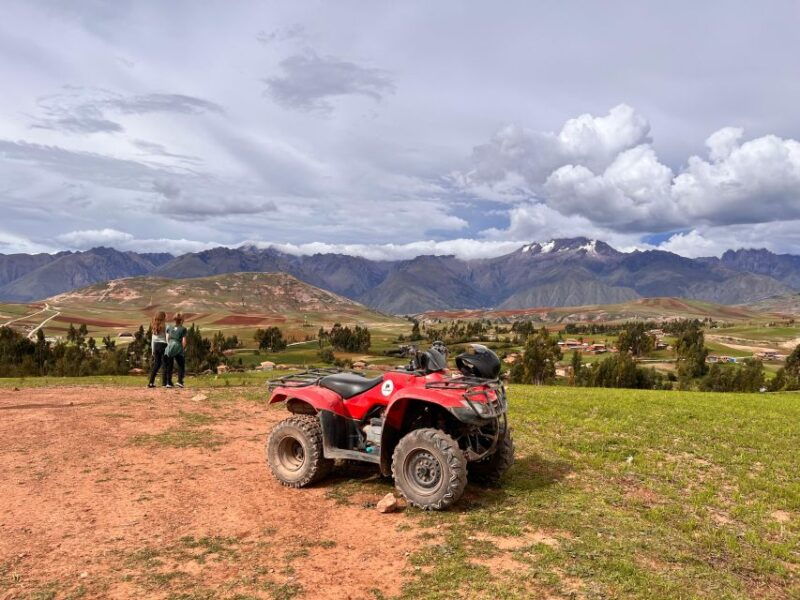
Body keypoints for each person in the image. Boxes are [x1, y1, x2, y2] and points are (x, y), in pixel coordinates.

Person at [164, 313, 188, 388]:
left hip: (170, 345)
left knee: (169, 365)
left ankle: (168, 382)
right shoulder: (183, 329)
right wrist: (183, 348)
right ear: (181, 320)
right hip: (177, 345)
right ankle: (180, 381)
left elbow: (167, 338)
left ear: (174, 320)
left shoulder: (170, 327)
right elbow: (184, 341)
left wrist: (169, 345)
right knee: (181, 364)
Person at [148, 311, 168, 388]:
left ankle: (151, 382)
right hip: (163, 345)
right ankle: (164, 383)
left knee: (156, 364)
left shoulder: (153, 326)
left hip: (156, 346)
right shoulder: (165, 326)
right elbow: (167, 337)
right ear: (163, 317)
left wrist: (153, 349)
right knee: (165, 364)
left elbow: (153, 339)